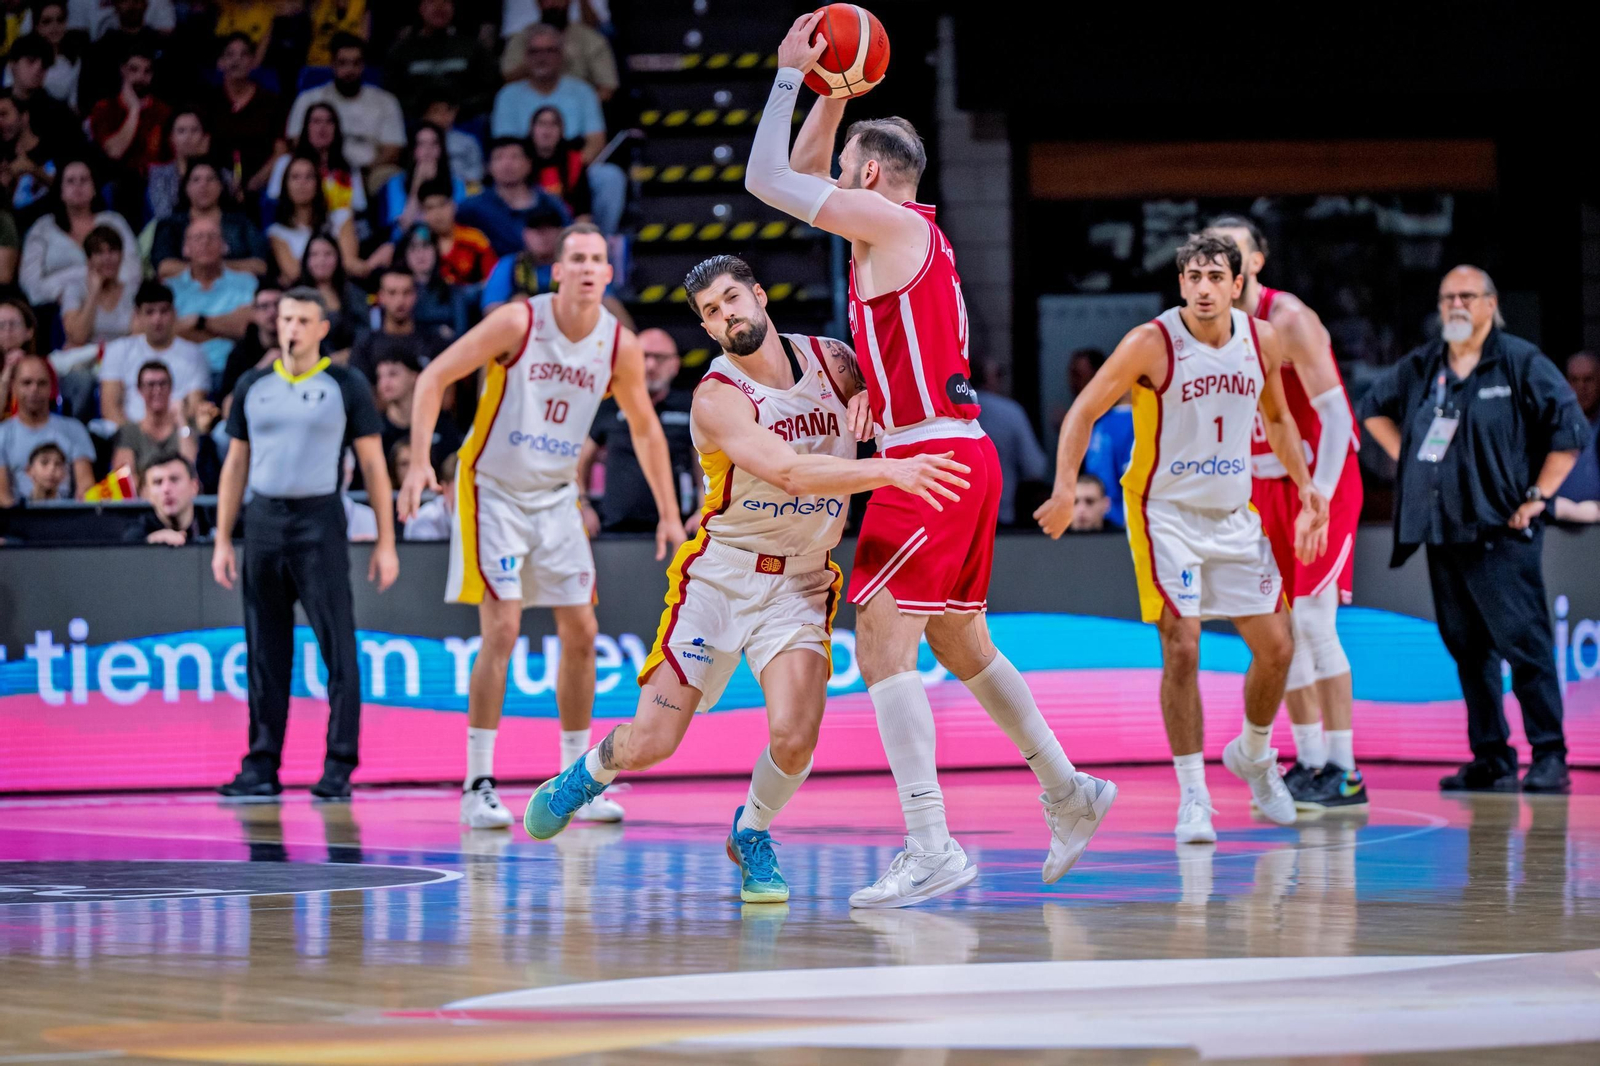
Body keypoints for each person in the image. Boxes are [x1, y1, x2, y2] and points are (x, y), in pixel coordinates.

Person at [747, 14, 1115, 908]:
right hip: (953, 451)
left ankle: (931, 843)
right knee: (960, 638)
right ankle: (1070, 792)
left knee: (880, 643)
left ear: (870, 179)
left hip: (929, 464)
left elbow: (770, 178)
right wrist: (837, 100)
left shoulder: (890, 225)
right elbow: (803, 174)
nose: (829, 188)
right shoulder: (906, 237)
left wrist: (795, 74)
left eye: (843, 177)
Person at [523, 255, 969, 904]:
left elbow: (897, 390)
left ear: (760, 295)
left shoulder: (833, 361)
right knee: (652, 742)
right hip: (721, 580)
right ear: (706, 329)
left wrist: (873, 396)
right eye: (711, 311)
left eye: (733, 298)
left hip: (801, 582)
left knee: (794, 737)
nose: (727, 314)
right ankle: (589, 772)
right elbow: (788, 470)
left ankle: (751, 831)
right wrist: (886, 473)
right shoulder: (717, 397)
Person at [396, 223, 687, 831]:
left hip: (556, 496)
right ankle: (478, 784)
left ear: (609, 274)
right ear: (556, 271)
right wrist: (421, 459)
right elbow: (432, 378)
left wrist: (668, 511)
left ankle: (574, 784)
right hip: (492, 490)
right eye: (575, 258)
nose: (586, 268)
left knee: (581, 629)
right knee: (500, 628)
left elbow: (644, 428)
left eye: (597, 260)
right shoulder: (518, 323)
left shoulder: (618, 345)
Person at [1038, 233, 1327, 842]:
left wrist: (1305, 487)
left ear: (1237, 283)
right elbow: (1084, 410)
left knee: (1279, 645)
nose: (1203, 288)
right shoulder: (1151, 342)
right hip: (1164, 511)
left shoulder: (1262, 340)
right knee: (1183, 645)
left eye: (1215, 277)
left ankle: (1252, 752)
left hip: (1232, 512)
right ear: (1180, 285)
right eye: (1192, 277)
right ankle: (1194, 794)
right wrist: (1066, 488)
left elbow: (1277, 418)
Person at [1359, 265, 1587, 796]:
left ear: (1490, 303)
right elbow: (1371, 408)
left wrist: (1539, 496)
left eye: (1466, 296)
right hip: (1443, 534)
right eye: (1447, 298)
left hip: (1502, 532)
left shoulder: (1519, 361)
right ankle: (1492, 756)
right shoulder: (1424, 366)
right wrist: (1411, 461)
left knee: (1525, 647)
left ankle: (1550, 755)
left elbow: (1569, 428)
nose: (1456, 306)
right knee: (1468, 649)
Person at [213, 286, 398, 801]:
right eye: (285, 318)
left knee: (337, 646)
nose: (290, 327)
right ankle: (261, 765)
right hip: (264, 520)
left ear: (322, 328)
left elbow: (374, 464)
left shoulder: (346, 383)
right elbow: (235, 465)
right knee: (265, 651)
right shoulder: (253, 384)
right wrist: (224, 538)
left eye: (302, 320)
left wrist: (386, 541)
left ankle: (338, 765)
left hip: (320, 520)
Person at [1208, 215, 1368, 811]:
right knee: (1279, 632)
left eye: (1238, 252)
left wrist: (1317, 500)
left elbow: (1335, 421)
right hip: (1259, 488)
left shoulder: (1290, 319)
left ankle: (1347, 771)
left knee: (1315, 623)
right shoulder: (1209, 329)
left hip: (1321, 478)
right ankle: (1313, 762)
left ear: (1256, 262)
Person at [488, 22, 623, 233]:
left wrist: (570, 171)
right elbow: (505, 149)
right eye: (535, 51)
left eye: (550, 50)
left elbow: (596, 141)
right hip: (525, 172)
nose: (542, 57)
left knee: (610, 177)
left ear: (561, 55)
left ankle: (601, 245)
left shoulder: (583, 91)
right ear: (526, 56)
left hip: (575, 166)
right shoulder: (508, 95)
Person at [579, 327, 697, 535]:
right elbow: (580, 460)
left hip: (678, 528)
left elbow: (705, 464)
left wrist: (705, 508)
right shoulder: (609, 406)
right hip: (615, 528)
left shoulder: (690, 407)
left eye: (659, 358)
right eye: (644, 356)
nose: (650, 365)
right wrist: (584, 506)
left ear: (675, 365)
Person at [285, 33, 403, 191]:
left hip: (369, 171)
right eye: (343, 63)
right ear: (332, 64)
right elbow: (296, 141)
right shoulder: (309, 98)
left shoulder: (385, 101)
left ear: (363, 65)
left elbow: (393, 149)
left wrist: (361, 172)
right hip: (319, 170)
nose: (350, 70)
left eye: (356, 63)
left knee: (393, 177)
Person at [18, 158, 140, 306]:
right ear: (60, 191)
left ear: (94, 188)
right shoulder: (42, 228)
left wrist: (104, 291)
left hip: (113, 304)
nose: (78, 185)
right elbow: (31, 285)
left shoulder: (114, 222)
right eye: (70, 181)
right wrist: (75, 287)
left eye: (84, 180)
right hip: (55, 309)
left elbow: (133, 271)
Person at [99, 281, 209, 424]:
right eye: (150, 312)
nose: (157, 319)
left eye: (163, 311)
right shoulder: (117, 350)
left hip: (176, 435)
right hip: (128, 435)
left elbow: (194, 408)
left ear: (174, 313)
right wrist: (133, 439)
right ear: (137, 315)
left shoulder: (195, 355)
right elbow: (110, 408)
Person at [85, 42, 171, 212]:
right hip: (115, 185)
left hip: (154, 186)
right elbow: (115, 151)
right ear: (123, 70)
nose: (140, 77)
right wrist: (134, 111)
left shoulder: (163, 112)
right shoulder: (105, 109)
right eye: (134, 69)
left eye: (147, 71)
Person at [170, 214, 259, 378]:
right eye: (198, 237)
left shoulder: (247, 283)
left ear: (225, 246)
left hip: (235, 370)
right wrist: (227, 325)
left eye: (212, 236)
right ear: (185, 248)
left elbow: (248, 329)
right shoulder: (170, 288)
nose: (205, 242)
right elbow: (165, 334)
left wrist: (199, 322)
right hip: (182, 372)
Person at [151, 159, 270, 280]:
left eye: (210, 179)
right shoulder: (170, 225)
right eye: (196, 180)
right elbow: (164, 267)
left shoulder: (242, 223)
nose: (203, 185)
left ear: (221, 186)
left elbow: (260, 265)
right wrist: (218, 268)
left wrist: (213, 267)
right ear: (186, 187)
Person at [0, 353, 94, 505]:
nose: (34, 389)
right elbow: (2, 496)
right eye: (26, 383)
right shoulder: (2, 434)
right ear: (14, 387)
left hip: (66, 519)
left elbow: (86, 486)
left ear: (51, 387)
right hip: (18, 521)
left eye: (41, 383)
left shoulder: (74, 430)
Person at [457, 137, 569, 257]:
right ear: (488, 167)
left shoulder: (551, 202)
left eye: (515, 157)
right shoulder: (472, 207)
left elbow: (569, 237)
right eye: (499, 157)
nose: (507, 164)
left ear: (529, 163)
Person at [386, 0, 496, 120]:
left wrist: (455, 110)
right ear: (421, 8)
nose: (439, 7)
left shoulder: (473, 48)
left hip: (464, 123)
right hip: (414, 124)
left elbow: (488, 90)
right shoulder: (401, 51)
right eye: (432, 2)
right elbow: (391, 95)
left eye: (446, 1)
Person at [208, 32, 285, 199]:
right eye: (230, 54)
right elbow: (202, 146)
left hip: (261, 185)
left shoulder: (271, 102)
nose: (237, 60)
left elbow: (281, 151)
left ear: (252, 62)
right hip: (216, 184)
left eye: (244, 55)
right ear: (220, 62)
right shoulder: (209, 101)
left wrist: (255, 183)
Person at [972, 361, 1048, 527]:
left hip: (957, 514)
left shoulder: (950, 411)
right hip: (1000, 513)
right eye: (999, 375)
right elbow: (1035, 468)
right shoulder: (1010, 413)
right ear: (991, 379)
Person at [266, 154, 359, 284]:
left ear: (318, 183)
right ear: (285, 185)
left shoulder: (341, 217)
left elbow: (350, 264)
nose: (302, 183)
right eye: (295, 177)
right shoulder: (277, 232)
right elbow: (294, 273)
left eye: (309, 177)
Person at [500, 0, 618, 102]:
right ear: (538, 2)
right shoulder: (522, 38)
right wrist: (537, 61)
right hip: (528, 110)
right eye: (547, 0)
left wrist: (582, 108)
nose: (552, 3)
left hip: (577, 113)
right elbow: (507, 78)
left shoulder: (590, 39)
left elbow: (607, 88)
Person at [268, 102, 367, 219]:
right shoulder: (286, 163)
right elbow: (273, 202)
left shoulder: (349, 167)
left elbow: (360, 207)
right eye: (316, 121)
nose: (322, 128)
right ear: (306, 127)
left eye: (329, 122)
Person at [350, 267, 450, 380]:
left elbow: (447, 390)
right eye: (392, 293)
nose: (400, 300)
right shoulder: (365, 345)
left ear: (415, 295)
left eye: (406, 292)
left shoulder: (435, 342)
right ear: (381, 297)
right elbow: (361, 393)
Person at [110, 362, 199, 483]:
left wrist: (181, 421)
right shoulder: (129, 431)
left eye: (162, 384)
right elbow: (124, 481)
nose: (157, 390)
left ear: (171, 387)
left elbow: (190, 467)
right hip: (142, 499)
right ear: (139, 389)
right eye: (150, 384)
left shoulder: (185, 428)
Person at [372, 346, 459, 468]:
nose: (384, 383)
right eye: (380, 377)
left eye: (393, 374)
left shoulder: (441, 424)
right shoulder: (374, 428)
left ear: (415, 376)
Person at [378, 122, 464, 238]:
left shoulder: (457, 184)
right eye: (421, 144)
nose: (428, 151)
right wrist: (417, 183)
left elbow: (456, 226)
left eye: (434, 144)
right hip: (408, 247)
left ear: (441, 149)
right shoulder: (395, 183)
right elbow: (402, 229)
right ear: (413, 150)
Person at [479, 201, 564, 314]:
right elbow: (491, 310)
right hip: (522, 328)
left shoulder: (573, 266)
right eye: (535, 228)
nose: (543, 234)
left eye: (549, 227)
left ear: (561, 232)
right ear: (525, 234)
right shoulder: (509, 265)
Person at [292, 232, 365, 359]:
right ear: (306, 260)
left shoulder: (354, 294)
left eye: (328, 254)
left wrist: (349, 354)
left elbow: (364, 334)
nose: (321, 260)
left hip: (351, 364)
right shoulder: (294, 296)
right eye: (314, 255)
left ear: (338, 258)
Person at [60, 224, 134, 345]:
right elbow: (78, 337)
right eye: (99, 253)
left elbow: (140, 335)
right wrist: (93, 293)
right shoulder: (73, 290)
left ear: (121, 256)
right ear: (89, 260)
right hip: (86, 359)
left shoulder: (133, 291)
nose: (107, 258)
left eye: (112, 251)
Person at [396, 222, 471, 338]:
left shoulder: (453, 292)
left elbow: (462, 336)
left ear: (436, 250)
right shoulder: (396, 292)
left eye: (425, 246)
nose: (420, 254)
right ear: (405, 254)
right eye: (413, 248)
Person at [419, 179, 496, 286]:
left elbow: (492, 280)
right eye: (430, 208)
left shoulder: (475, 240)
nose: (437, 213)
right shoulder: (418, 243)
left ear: (453, 206)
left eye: (442, 205)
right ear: (422, 214)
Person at [123, 453, 212, 544]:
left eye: (174, 479)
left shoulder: (215, 525)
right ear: (146, 494)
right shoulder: (134, 539)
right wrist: (148, 545)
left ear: (194, 486)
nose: (166, 489)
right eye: (158, 482)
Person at [218, 285, 282, 410]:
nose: (272, 312)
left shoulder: (302, 344)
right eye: (264, 306)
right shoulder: (240, 352)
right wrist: (261, 369)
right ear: (254, 313)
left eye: (278, 304)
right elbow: (228, 407)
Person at [527, 105, 592, 224]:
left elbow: (583, 212)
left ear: (561, 130)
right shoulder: (521, 160)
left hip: (566, 226)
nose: (547, 130)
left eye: (553, 124)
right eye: (541, 124)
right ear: (532, 129)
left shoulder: (574, 161)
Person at [1553, 351, 1600, 509]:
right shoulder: (1551, 425)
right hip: (1556, 525)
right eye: (1574, 380)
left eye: (1588, 379)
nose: (1581, 387)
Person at [143, 107, 207, 223]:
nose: (188, 137)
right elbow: (163, 215)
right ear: (171, 137)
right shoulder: (159, 174)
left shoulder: (221, 174)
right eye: (181, 131)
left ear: (204, 136)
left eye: (194, 130)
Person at [420, 96, 483, 185]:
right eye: (436, 111)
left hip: (464, 189)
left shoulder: (468, 141)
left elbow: (476, 172)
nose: (443, 116)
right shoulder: (417, 141)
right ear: (425, 115)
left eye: (448, 111)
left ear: (455, 112)